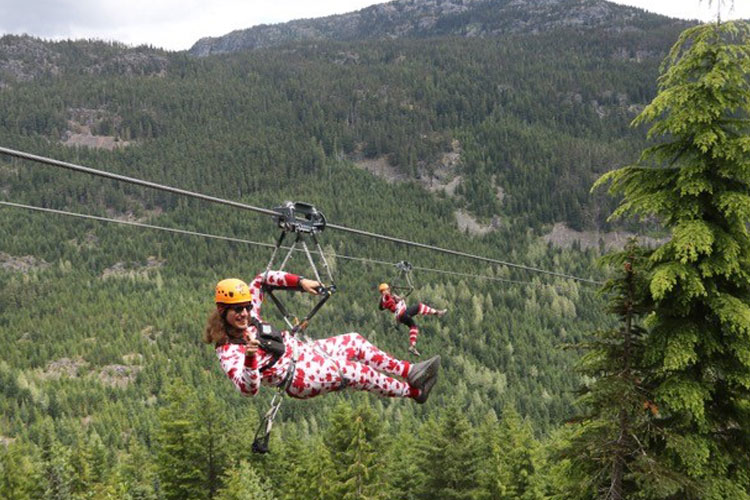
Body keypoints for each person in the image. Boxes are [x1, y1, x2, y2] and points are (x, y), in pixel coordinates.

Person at [203, 272, 440, 403]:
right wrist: (251, 359)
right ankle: (415, 392)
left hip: (302, 353)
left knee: (355, 341)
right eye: (237, 310)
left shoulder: (250, 312)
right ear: (224, 312)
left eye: (245, 307)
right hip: (298, 377)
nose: (244, 314)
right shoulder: (228, 351)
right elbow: (248, 390)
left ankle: (410, 371)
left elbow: (261, 280)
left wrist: (300, 283)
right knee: (357, 372)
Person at [378, 282, 447, 357]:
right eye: (387, 289)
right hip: (403, 313)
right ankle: (437, 313)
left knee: (413, 327)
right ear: (384, 291)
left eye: (388, 289)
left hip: (401, 317)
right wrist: (393, 298)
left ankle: (412, 346)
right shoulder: (387, 297)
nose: (389, 290)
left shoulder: (384, 299)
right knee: (419, 307)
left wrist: (393, 298)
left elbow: (381, 307)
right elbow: (389, 301)